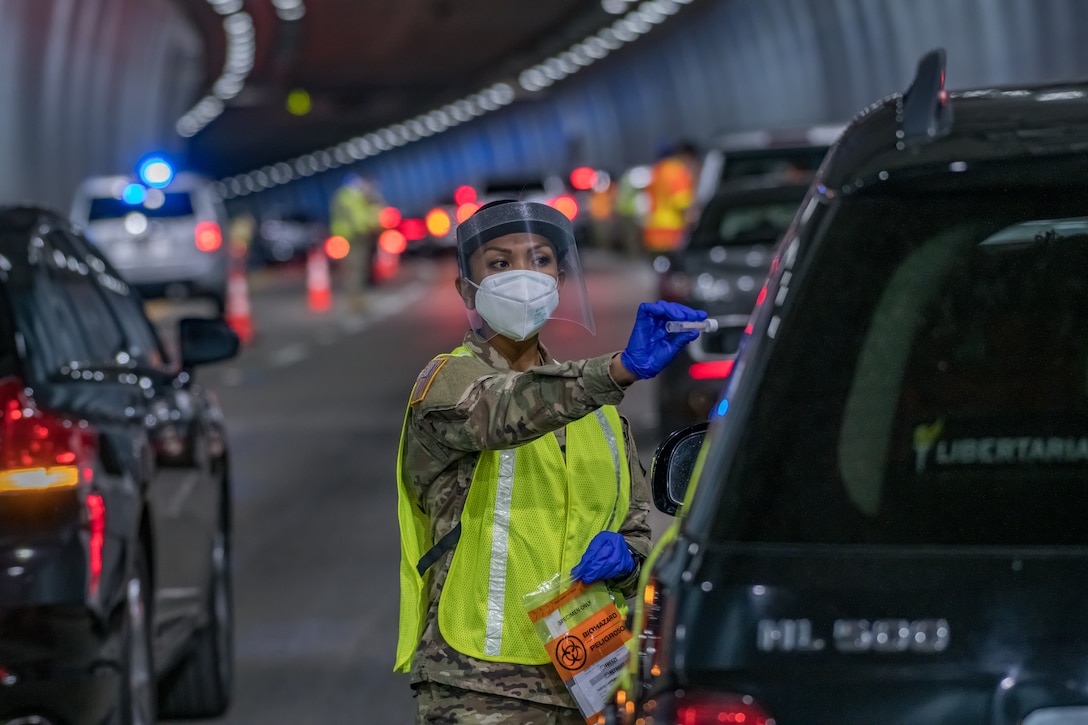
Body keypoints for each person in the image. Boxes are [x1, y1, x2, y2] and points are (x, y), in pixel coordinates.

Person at [395, 199, 706, 723]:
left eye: (539, 260)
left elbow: (633, 526)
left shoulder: (600, 414)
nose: (522, 275)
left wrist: (626, 555)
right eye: (498, 263)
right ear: (465, 288)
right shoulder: (447, 384)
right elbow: (504, 409)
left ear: (559, 278)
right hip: (479, 683)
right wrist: (617, 370)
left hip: (590, 678)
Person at [329, 173, 381, 312]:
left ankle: (356, 303)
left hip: (345, 237)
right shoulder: (354, 198)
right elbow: (360, 220)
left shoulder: (342, 196)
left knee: (352, 271)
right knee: (356, 272)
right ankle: (357, 305)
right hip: (354, 238)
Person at [642, 140, 700, 253]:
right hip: (672, 227)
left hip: (653, 227)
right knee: (675, 265)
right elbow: (681, 201)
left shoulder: (655, 171)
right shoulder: (675, 170)